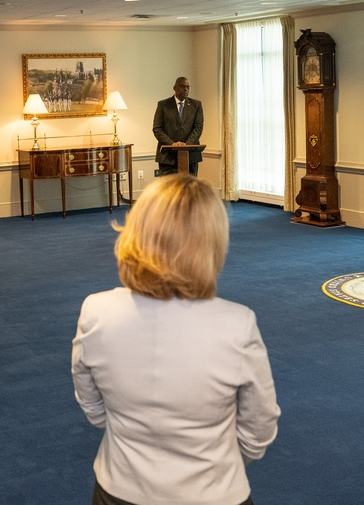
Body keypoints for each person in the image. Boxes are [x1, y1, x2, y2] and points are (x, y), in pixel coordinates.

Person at [72, 174, 280, 505]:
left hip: (118, 490)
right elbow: (258, 430)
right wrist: (215, 467)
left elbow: (94, 408)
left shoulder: (95, 311)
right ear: (211, 244)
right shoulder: (238, 324)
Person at [153, 77, 204, 176]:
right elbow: (157, 128)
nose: (185, 89)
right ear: (174, 88)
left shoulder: (196, 105)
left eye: (188, 87)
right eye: (182, 86)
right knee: (168, 189)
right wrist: (172, 144)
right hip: (167, 157)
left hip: (191, 156)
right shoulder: (163, 104)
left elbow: (198, 128)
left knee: (189, 189)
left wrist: (186, 145)